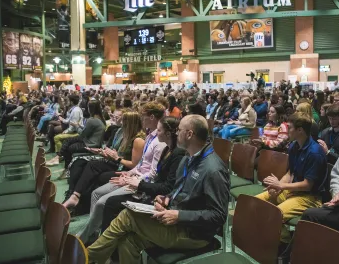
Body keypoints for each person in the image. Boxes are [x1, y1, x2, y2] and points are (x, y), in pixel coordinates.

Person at [87, 115, 230, 264]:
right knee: (128, 241)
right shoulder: (189, 158)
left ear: (189, 134)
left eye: (179, 130)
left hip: (194, 234)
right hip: (177, 223)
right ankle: (92, 257)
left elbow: (219, 215)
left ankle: (89, 257)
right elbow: (179, 190)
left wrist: (180, 215)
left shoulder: (213, 169)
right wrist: (166, 198)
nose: (176, 133)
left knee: (128, 216)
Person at [75, 102, 167, 243]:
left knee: (102, 202)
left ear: (152, 117)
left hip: (141, 182)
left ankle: (88, 238)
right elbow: (141, 164)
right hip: (134, 176)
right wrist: (129, 173)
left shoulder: (158, 142)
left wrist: (133, 178)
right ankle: (92, 232)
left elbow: (153, 173)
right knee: (96, 193)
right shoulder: (150, 136)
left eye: (143, 117)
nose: (141, 120)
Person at [100, 117, 185, 241]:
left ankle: (107, 249)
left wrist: (139, 184)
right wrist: (134, 179)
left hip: (159, 197)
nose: (156, 132)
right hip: (151, 190)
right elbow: (156, 177)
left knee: (111, 203)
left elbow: (168, 187)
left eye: (159, 130)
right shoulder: (167, 149)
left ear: (168, 134)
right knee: (111, 201)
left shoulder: (178, 154)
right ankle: (108, 246)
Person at [256, 112, 327, 243]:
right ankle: (276, 239)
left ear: (300, 130)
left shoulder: (315, 153)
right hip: (292, 191)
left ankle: (285, 248)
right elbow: (290, 173)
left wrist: (282, 186)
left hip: (309, 198)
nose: (286, 130)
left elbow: (307, 185)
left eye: (290, 127)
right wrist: (278, 186)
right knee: (255, 203)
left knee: (273, 215)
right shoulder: (294, 145)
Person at [62, 111, 146, 211]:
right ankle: (74, 196)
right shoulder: (123, 134)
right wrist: (105, 153)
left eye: (124, 121)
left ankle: (76, 198)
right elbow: (115, 153)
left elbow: (133, 165)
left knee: (93, 169)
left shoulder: (138, 140)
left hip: (126, 170)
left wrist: (116, 158)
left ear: (130, 123)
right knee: (81, 163)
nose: (121, 123)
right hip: (116, 164)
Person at [45, 100, 106, 175]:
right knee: (68, 141)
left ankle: (66, 167)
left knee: (70, 147)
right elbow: (89, 131)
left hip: (90, 144)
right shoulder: (100, 118)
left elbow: (82, 134)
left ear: (90, 109)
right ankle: (59, 159)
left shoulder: (92, 120)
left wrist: (76, 126)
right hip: (90, 140)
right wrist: (80, 126)